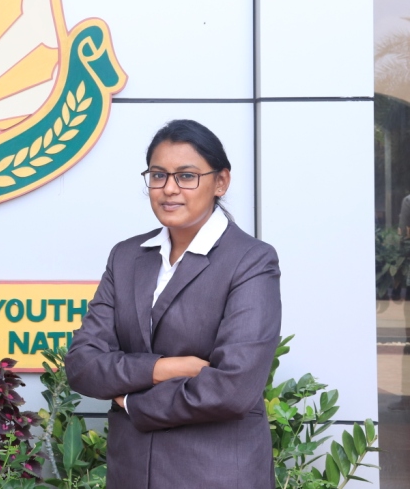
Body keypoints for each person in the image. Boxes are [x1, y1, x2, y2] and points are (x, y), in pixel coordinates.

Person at [65, 119, 281, 489]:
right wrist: (164, 368)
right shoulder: (126, 257)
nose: (169, 189)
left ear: (221, 182)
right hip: (132, 473)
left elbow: (234, 389)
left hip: (214, 475)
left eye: (186, 176)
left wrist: (132, 402)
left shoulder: (251, 260)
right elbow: (82, 365)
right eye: (158, 175)